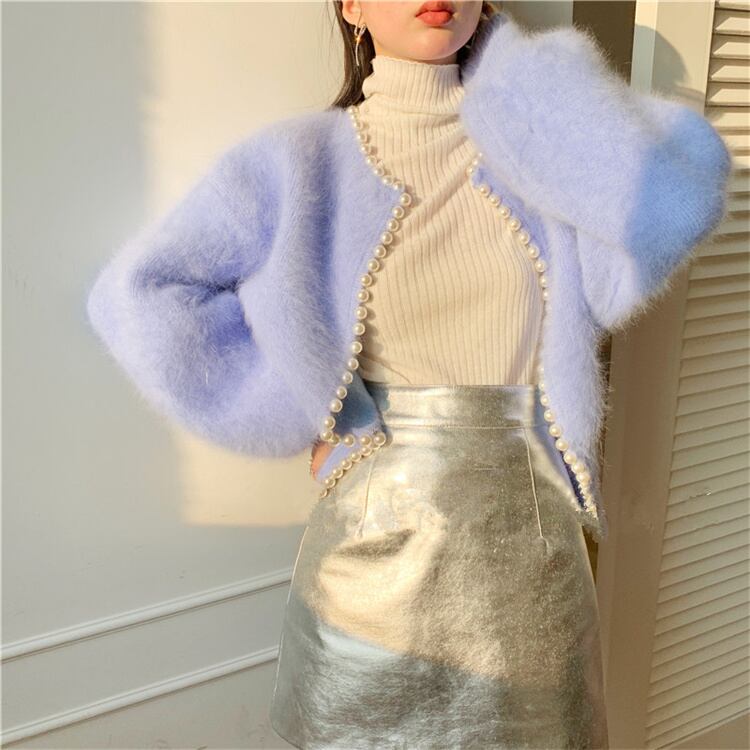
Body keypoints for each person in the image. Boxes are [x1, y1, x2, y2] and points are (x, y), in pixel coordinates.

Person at [85, 1, 731, 747]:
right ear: (351, 6)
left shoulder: (539, 154)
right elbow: (141, 295)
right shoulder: (297, 163)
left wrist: (516, 72)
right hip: (369, 554)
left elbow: (681, 197)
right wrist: (305, 405)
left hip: (531, 551)